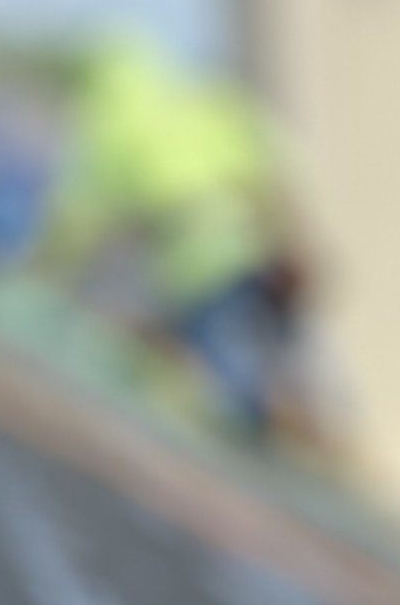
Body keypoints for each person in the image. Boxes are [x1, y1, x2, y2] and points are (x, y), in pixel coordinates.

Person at [41, 32, 288, 436]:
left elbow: (93, 213)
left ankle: (258, 427)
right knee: (260, 355)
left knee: (230, 366)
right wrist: (280, 240)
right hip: (245, 252)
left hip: (193, 266)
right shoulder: (194, 106)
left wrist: (60, 263)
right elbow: (262, 171)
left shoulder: (118, 126)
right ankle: (278, 423)